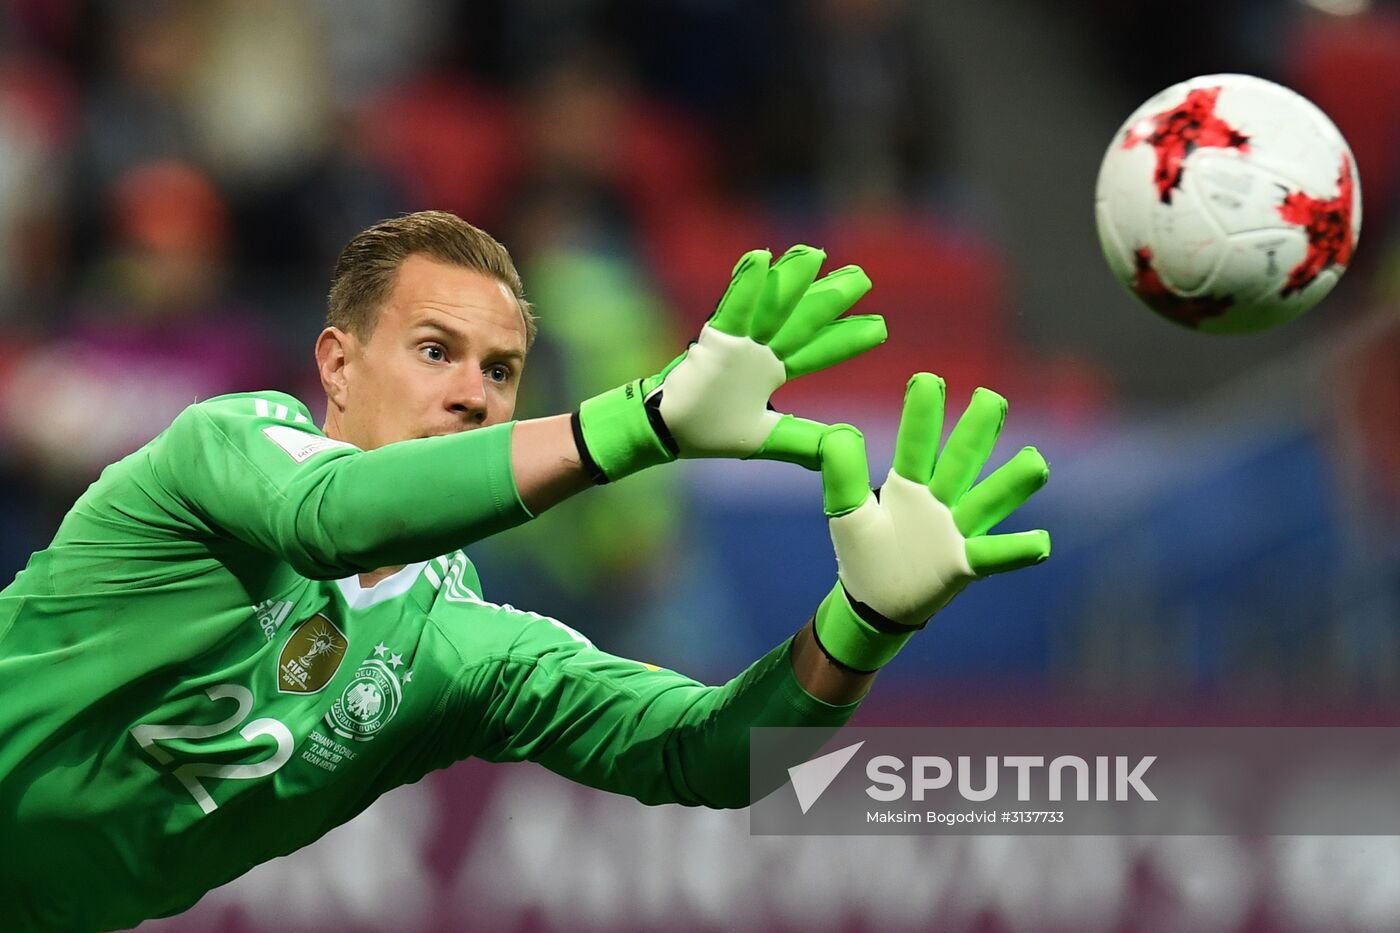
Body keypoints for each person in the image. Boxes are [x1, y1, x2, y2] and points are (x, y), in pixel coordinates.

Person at [0, 210, 1050, 931]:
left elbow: (713, 756)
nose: (471, 392)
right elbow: (332, 520)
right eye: (432, 350)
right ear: (335, 363)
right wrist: (637, 424)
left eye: (498, 370)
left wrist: (864, 622)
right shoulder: (224, 449)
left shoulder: (459, 650)